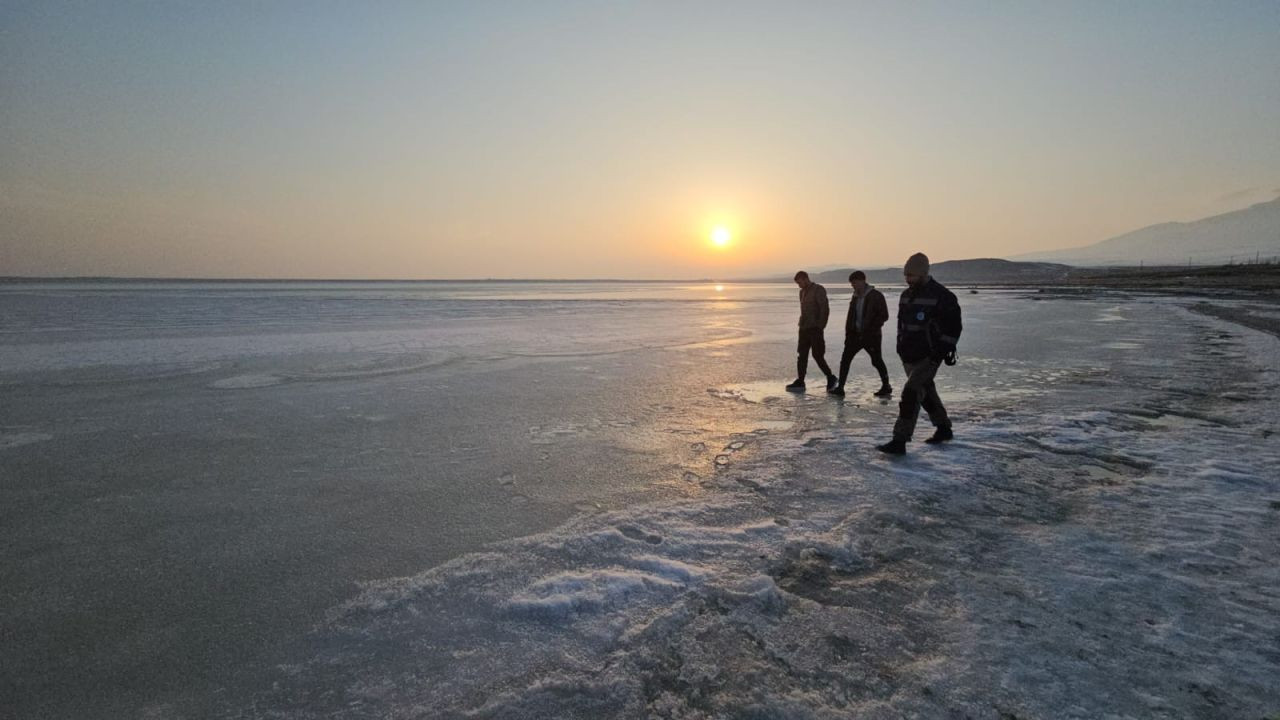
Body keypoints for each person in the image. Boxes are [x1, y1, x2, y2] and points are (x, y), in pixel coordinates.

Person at [877, 253, 962, 455]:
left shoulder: (943, 296)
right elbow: (901, 325)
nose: (908, 279)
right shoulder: (906, 295)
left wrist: (939, 352)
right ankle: (943, 427)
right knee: (926, 392)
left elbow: (954, 328)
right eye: (906, 275)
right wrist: (900, 346)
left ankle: (900, 440)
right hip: (909, 354)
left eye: (912, 275)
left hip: (929, 355)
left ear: (923, 274)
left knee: (911, 392)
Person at [829, 270, 891, 398]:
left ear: (862, 281)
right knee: (845, 360)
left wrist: (872, 329)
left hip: (871, 336)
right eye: (852, 284)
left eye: (855, 283)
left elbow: (884, 315)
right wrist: (848, 334)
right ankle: (840, 387)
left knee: (876, 360)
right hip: (855, 335)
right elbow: (850, 316)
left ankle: (886, 386)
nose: (853, 286)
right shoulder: (855, 296)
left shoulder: (876, 296)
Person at [786, 271, 837, 391]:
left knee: (817, 355)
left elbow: (824, 308)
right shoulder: (802, 292)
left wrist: (820, 326)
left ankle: (830, 377)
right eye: (797, 283)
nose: (799, 285)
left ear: (805, 279)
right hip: (804, 328)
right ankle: (801, 380)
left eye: (799, 282)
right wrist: (801, 324)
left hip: (815, 328)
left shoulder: (818, 289)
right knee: (802, 355)